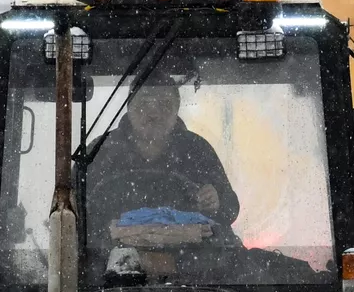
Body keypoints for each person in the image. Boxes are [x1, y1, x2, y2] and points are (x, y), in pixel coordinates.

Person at [86, 73, 240, 235]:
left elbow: (230, 209)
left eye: (164, 104)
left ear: (177, 109)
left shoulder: (197, 150)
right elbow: (71, 214)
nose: (154, 114)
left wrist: (217, 200)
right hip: (108, 254)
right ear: (129, 107)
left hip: (193, 255)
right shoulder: (100, 152)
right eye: (144, 103)